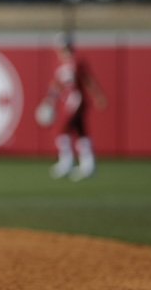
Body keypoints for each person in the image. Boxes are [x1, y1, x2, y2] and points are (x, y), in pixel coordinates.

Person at [42, 34, 107, 181]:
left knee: (62, 129)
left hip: (77, 99)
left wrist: (98, 96)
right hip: (68, 100)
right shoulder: (59, 63)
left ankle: (66, 161)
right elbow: (57, 84)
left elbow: (88, 80)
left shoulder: (77, 61)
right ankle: (88, 165)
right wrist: (49, 100)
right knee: (81, 131)